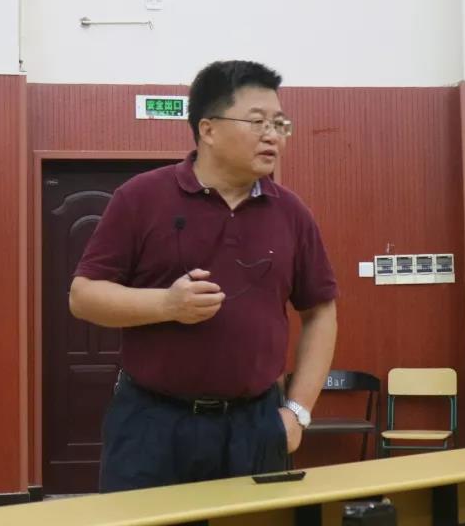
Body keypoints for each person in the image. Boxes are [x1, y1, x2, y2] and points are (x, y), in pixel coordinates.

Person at [69, 60, 338, 493]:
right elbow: (83, 296)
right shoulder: (140, 198)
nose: (273, 135)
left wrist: (298, 413)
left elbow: (321, 312)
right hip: (152, 424)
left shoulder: (292, 213)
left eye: (280, 123)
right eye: (257, 122)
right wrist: (166, 304)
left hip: (255, 425)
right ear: (208, 129)